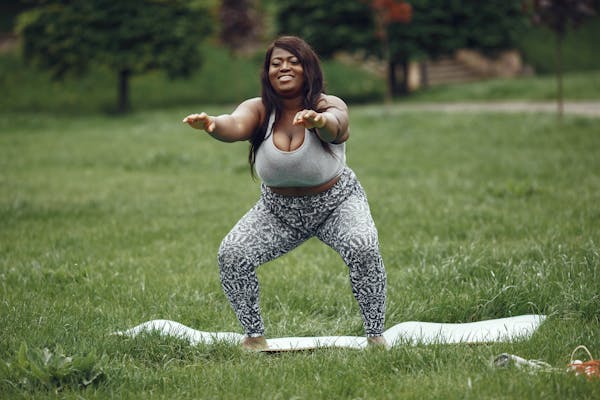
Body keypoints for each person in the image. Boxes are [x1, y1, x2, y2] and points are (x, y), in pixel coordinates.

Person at [183, 36, 387, 350]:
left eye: (293, 62)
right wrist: (213, 124)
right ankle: (253, 337)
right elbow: (235, 125)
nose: (284, 68)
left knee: (363, 246)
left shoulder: (326, 104)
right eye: (276, 63)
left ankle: (375, 336)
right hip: (279, 210)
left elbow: (338, 125)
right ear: (267, 72)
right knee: (233, 253)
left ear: (308, 69)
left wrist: (320, 121)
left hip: (337, 203)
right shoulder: (260, 109)